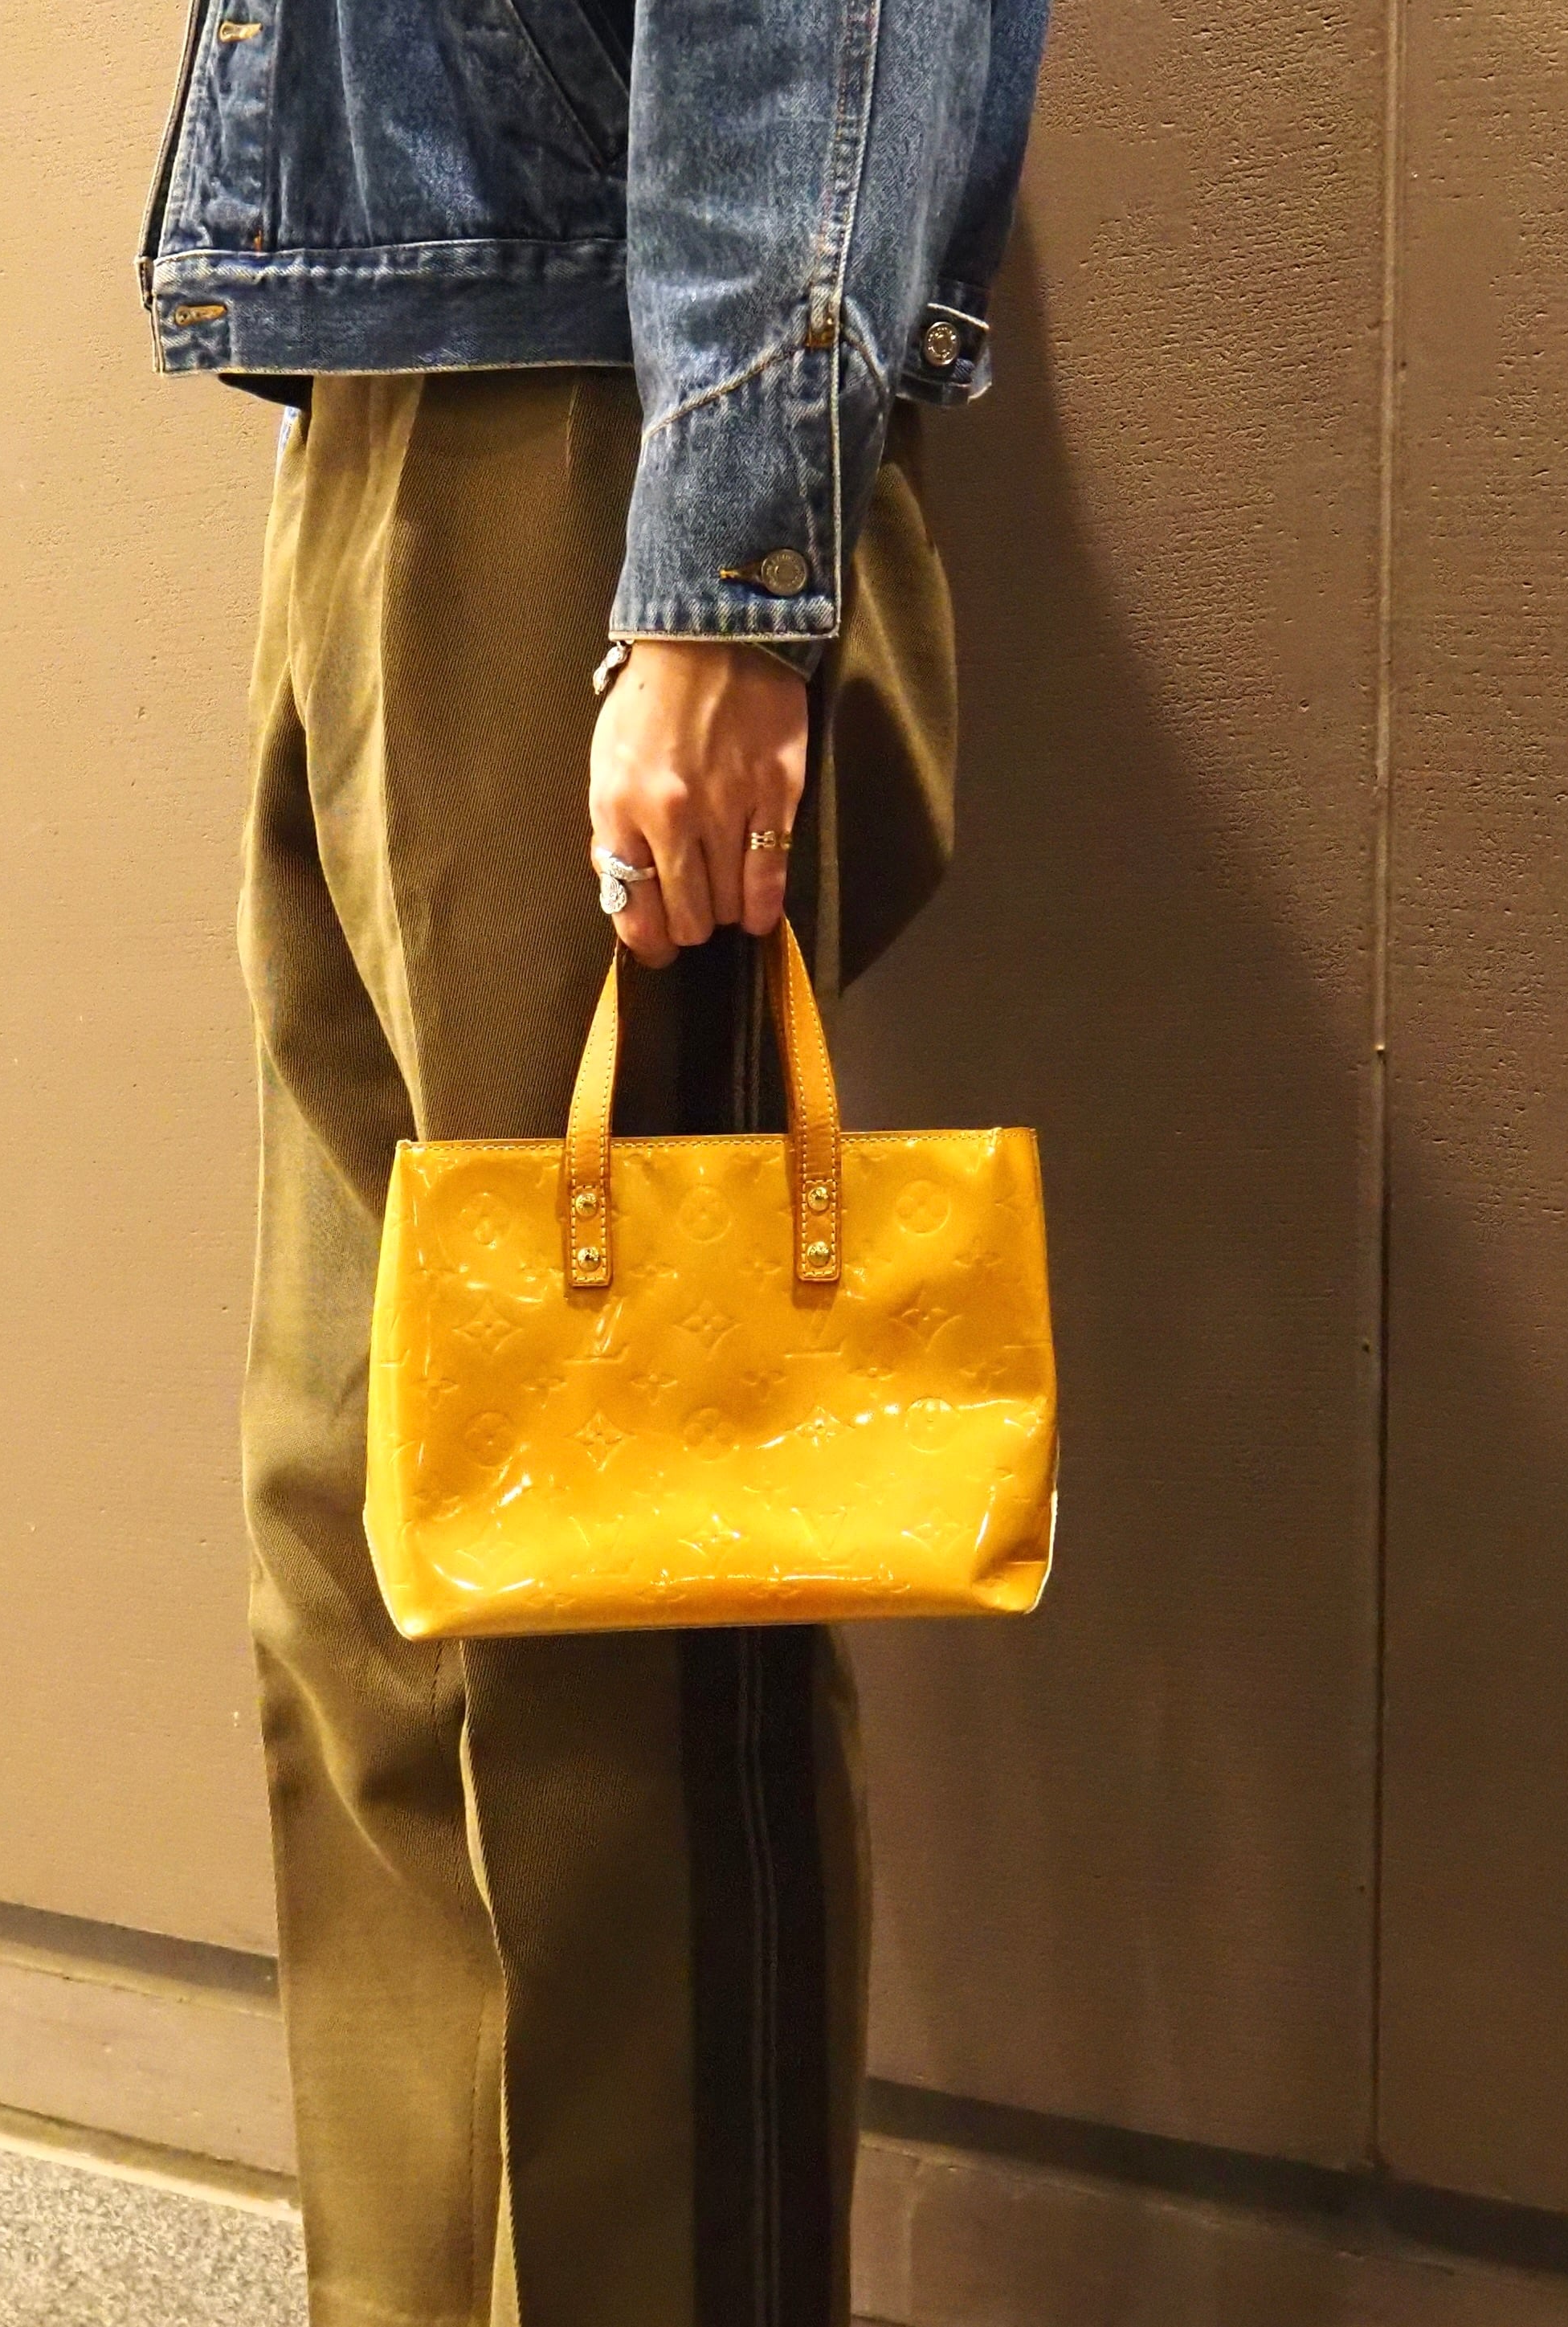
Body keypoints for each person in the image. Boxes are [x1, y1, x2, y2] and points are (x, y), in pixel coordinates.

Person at [137, 4, 1047, 2321]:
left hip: (596, 428)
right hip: (409, 381)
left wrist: (728, 563)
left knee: (612, 1586)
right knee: (364, 1547)